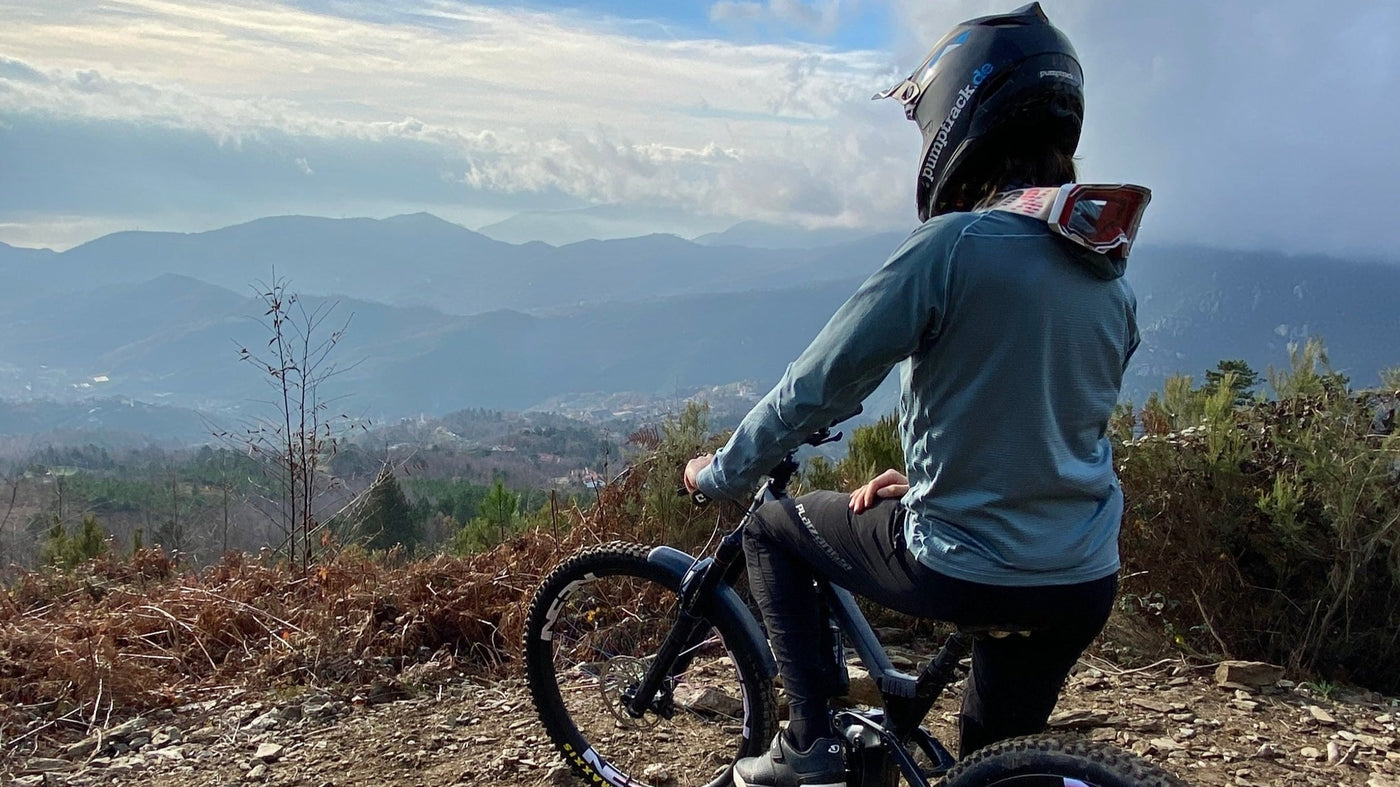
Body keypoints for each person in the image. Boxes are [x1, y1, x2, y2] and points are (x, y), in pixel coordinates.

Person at [681, 4, 1147, 787]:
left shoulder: (952, 246)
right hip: (1082, 577)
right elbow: (1049, 420)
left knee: (767, 527)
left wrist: (721, 471)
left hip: (968, 561)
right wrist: (936, 476)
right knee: (988, 765)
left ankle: (809, 745)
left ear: (961, 116)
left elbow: (816, 385)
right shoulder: (1108, 277)